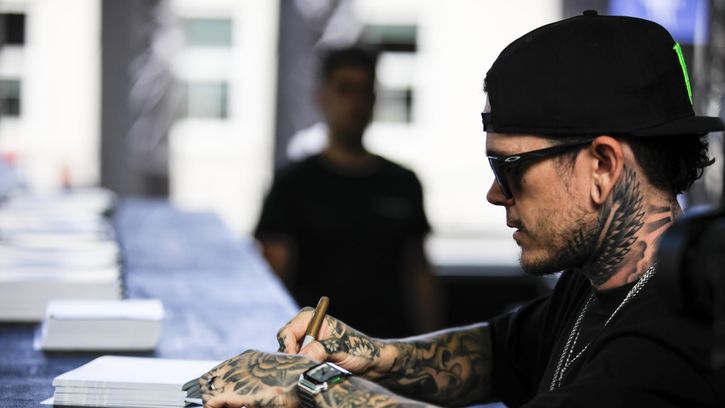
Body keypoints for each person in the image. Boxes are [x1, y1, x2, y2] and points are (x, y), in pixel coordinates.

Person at [200, 11, 724, 407]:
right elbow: (495, 354)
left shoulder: (674, 343)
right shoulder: (598, 283)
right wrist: (369, 352)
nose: (495, 193)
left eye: (510, 167)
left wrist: (315, 388)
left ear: (603, 166)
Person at [254, 46, 441, 338]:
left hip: (390, 345)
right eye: (345, 89)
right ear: (322, 97)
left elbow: (418, 273)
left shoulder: (402, 182)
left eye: (364, 91)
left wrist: (430, 343)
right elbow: (273, 278)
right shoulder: (293, 184)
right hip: (315, 347)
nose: (355, 102)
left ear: (375, 99)